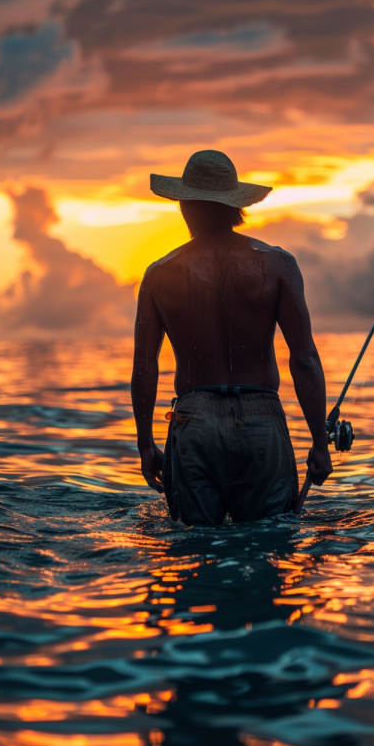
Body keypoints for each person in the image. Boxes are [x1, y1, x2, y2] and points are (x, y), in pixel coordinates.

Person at [131, 150, 332, 525]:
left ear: (184, 207)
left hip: (193, 418)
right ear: (237, 205)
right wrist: (320, 444)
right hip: (261, 416)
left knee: (191, 557)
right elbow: (304, 358)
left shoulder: (159, 274)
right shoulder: (276, 264)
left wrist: (146, 445)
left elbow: (145, 365)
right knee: (270, 551)